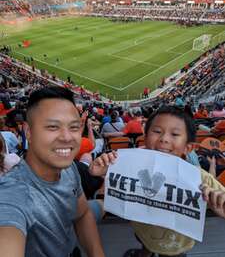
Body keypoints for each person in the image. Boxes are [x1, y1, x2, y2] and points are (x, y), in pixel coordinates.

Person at [89, 105, 225, 257]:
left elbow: (222, 199)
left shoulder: (199, 178)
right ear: (145, 137)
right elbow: (105, 178)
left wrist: (220, 203)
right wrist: (101, 169)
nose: (164, 139)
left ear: (188, 147)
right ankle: (146, 252)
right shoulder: (129, 167)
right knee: (144, 244)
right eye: (157, 131)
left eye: (174, 134)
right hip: (143, 233)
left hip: (176, 245)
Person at [0, 86, 105, 257]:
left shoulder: (69, 167)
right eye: (52, 127)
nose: (66, 137)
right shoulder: (12, 194)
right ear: (29, 132)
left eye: (73, 127)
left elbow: (82, 213)